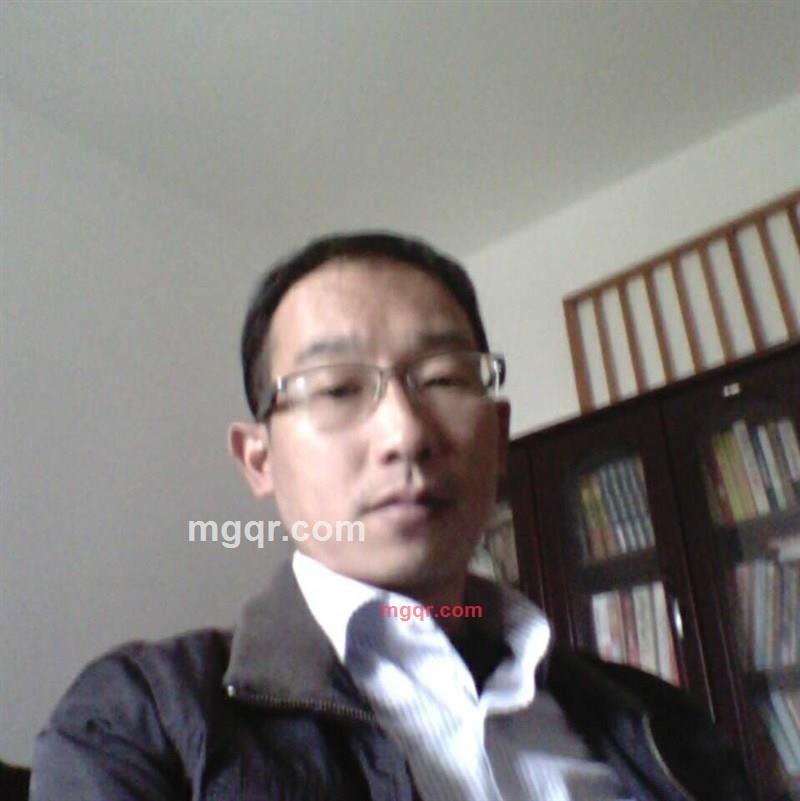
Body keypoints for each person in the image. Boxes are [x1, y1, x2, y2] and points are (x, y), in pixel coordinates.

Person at [31, 232, 753, 800]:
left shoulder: (662, 721)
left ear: (499, 438)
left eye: (443, 378)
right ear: (259, 460)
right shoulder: (139, 718)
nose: (405, 434)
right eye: (337, 388)